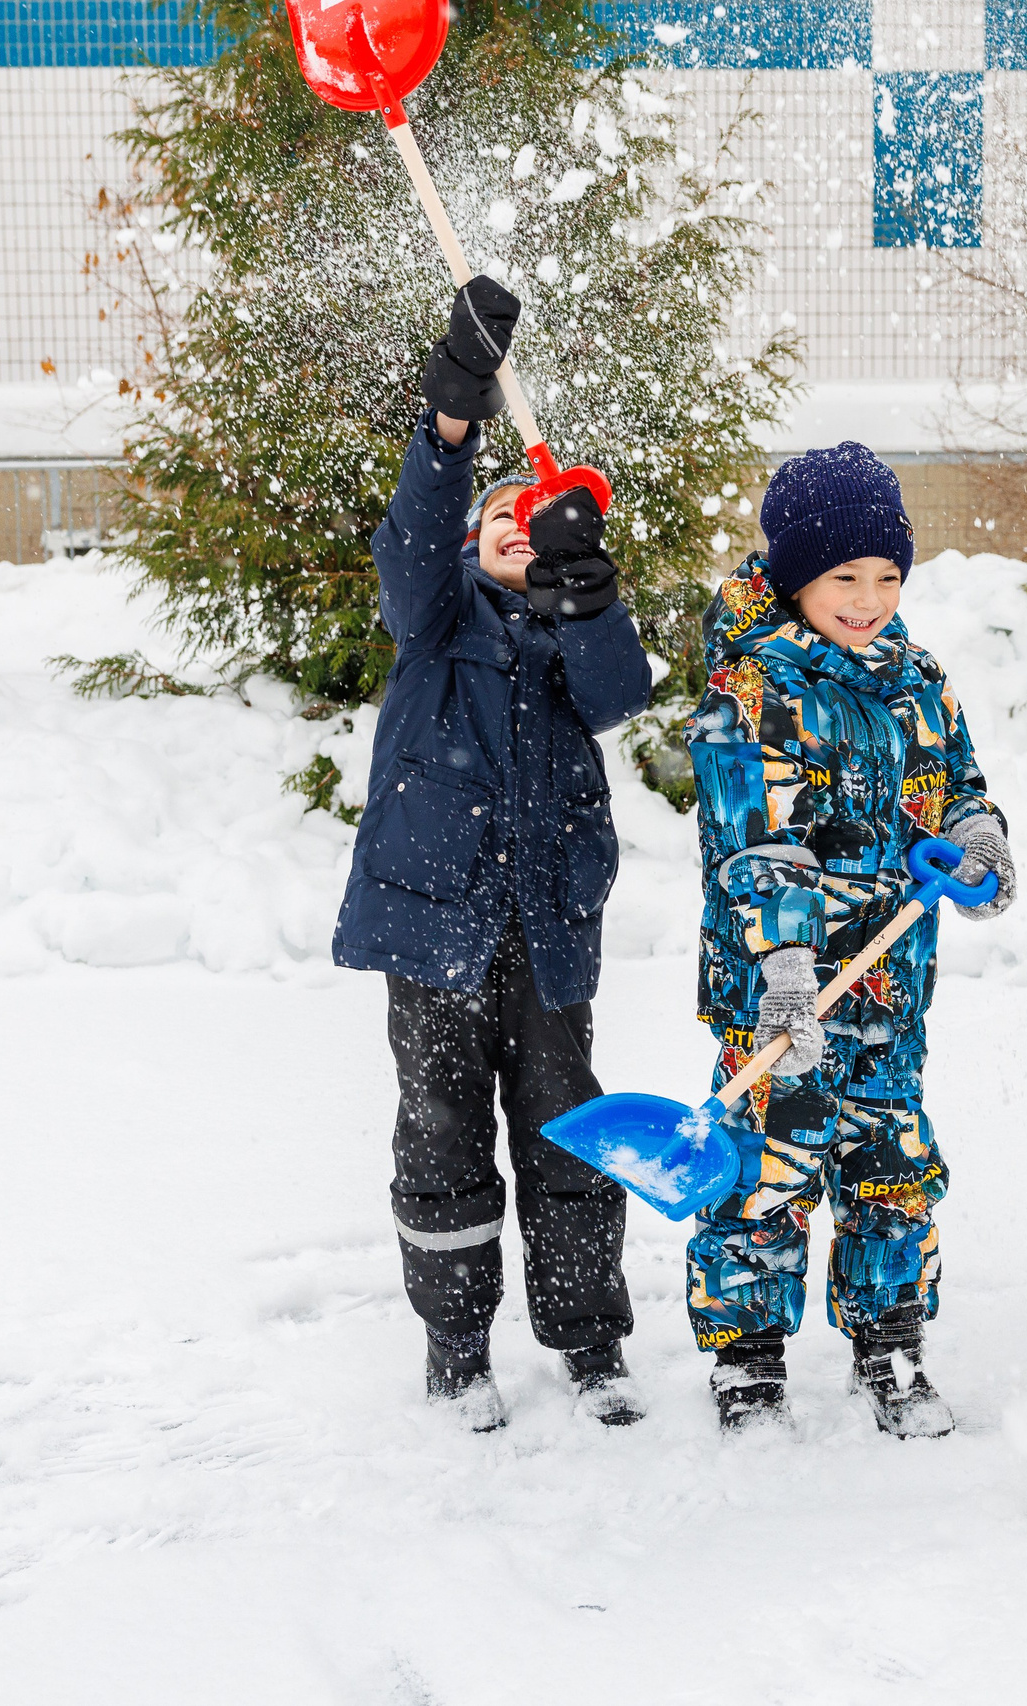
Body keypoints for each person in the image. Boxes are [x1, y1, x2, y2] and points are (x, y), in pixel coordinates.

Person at [332, 276, 654, 1432]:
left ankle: (589, 1339)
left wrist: (593, 601)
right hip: (431, 922)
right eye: (502, 514)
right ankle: (456, 1344)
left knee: (564, 1125)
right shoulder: (436, 616)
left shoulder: (578, 634)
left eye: (547, 518)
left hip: (548, 924)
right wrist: (453, 416)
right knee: (441, 1128)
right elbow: (413, 530)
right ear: (476, 537)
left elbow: (619, 692)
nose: (523, 523)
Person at [683, 442, 1016, 1436]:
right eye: (843, 577)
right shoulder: (752, 688)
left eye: (886, 575)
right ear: (794, 575)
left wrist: (976, 839)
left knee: (890, 1161)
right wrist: (786, 968)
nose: (868, 597)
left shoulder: (916, 677)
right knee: (764, 1166)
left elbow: (956, 784)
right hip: (779, 991)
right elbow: (755, 840)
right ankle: (746, 1359)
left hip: (889, 984)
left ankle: (893, 1344)